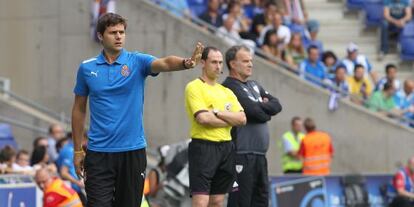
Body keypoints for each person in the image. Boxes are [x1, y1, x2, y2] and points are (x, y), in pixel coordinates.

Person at [71, 13, 204, 207]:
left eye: (122, 32)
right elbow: (78, 109)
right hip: (99, 153)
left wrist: (186, 63)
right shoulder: (86, 68)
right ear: (100, 36)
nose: (119, 36)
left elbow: (165, 62)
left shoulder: (137, 61)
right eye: (113, 32)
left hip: (132, 152)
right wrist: (77, 151)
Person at [184, 46, 246, 207]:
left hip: (226, 148)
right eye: (213, 62)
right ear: (203, 63)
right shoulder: (194, 86)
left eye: (220, 62)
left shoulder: (226, 91)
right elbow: (203, 118)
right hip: (204, 147)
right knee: (201, 201)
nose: (218, 66)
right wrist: (229, 120)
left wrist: (217, 113)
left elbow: (242, 119)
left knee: (218, 201)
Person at [222, 45, 282, 207]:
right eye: (245, 61)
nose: (250, 64)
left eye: (251, 61)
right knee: (241, 201)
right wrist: (263, 108)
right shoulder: (230, 86)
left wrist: (261, 108)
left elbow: (277, 105)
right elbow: (254, 111)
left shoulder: (254, 85)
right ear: (233, 64)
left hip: (260, 156)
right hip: (242, 154)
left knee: (261, 200)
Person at [56, 137, 86, 205]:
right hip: (72, 189)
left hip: (74, 188)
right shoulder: (70, 150)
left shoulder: (70, 149)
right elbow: (63, 173)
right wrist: (78, 182)